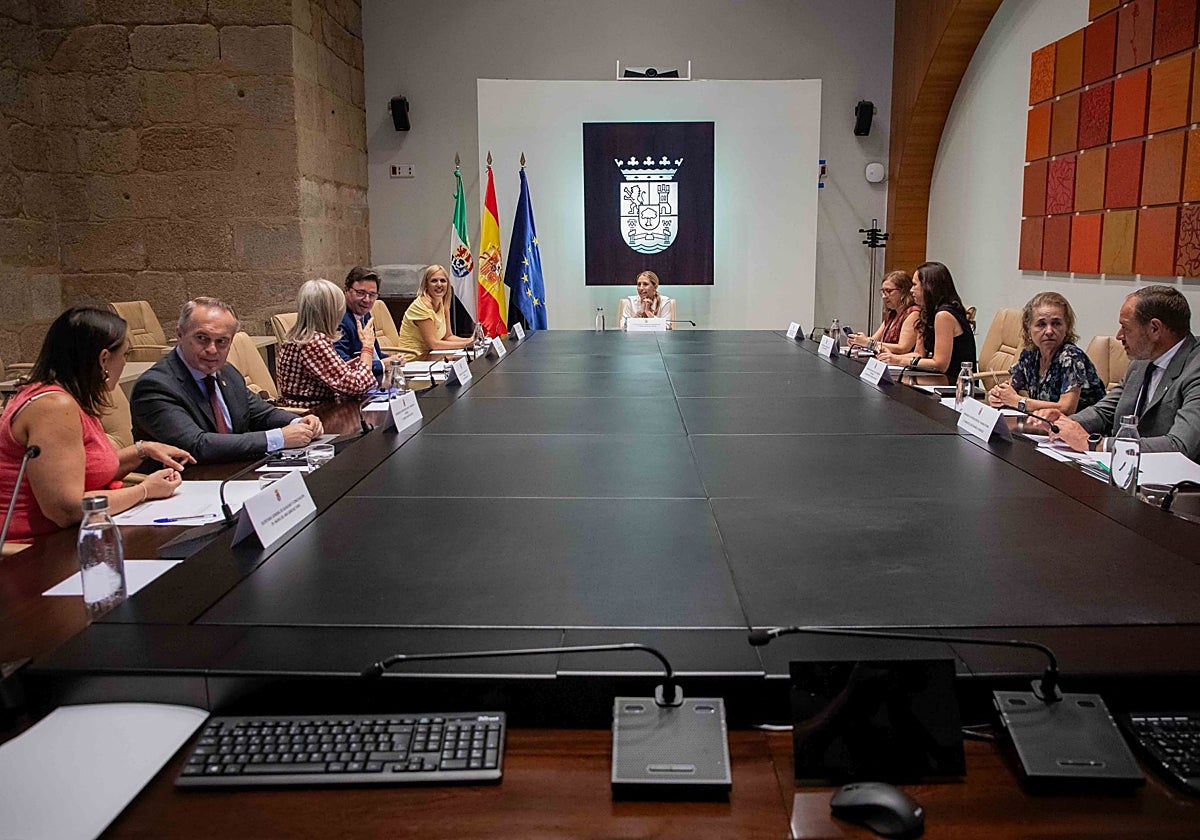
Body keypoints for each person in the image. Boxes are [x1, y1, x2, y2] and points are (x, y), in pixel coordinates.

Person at [0, 308, 192, 540]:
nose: (125, 362)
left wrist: (142, 450)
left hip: (74, 534)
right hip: (36, 549)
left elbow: (83, 470)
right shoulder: (54, 407)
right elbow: (67, 509)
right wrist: (145, 490)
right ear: (103, 359)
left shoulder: (69, 397)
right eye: (124, 354)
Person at [131, 297, 323, 464]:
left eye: (222, 341)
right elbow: (197, 445)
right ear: (180, 335)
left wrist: (298, 422)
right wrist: (278, 438)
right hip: (186, 483)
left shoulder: (227, 372)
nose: (212, 349)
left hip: (236, 470)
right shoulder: (155, 386)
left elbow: (260, 414)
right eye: (202, 338)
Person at [1036, 285, 1200, 459]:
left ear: (1155, 329)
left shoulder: (1194, 368)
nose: (1119, 336)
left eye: (1125, 327)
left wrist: (1095, 444)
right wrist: (1063, 424)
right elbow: (1105, 411)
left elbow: (1180, 446)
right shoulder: (1141, 361)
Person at [987, 292, 1106, 415]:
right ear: (1028, 329)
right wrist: (999, 395)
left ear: (1067, 327)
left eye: (1056, 323)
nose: (1049, 331)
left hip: (1084, 425)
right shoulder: (1030, 354)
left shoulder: (1071, 356)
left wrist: (1019, 402)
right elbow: (1010, 389)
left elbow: (1067, 408)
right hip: (1046, 423)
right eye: (1041, 324)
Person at [276, 279, 378, 408]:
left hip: (316, 408)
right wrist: (367, 346)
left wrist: (345, 368)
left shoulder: (300, 336)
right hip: (314, 412)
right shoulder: (313, 342)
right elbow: (359, 385)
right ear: (331, 311)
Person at [878, 261, 976, 376]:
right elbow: (919, 354)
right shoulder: (926, 312)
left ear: (928, 287)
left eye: (914, 285)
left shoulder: (944, 315)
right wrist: (890, 357)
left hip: (954, 381)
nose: (911, 290)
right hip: (934, 377)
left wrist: (899, 360)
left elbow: (940, 364)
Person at [395, 265, 476, 360]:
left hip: (432, 357)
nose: (439, 284)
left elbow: (448, 337)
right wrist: (467, 343)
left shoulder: (443, 303)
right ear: (426, 285)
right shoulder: (421, 306)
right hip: (412, 360)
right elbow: (433, 344)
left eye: (443, 281)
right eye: (434, 281)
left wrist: (472, 340)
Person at [334, 266, 392, 380]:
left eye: (372, 295)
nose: (367, 300)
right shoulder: (338, 320)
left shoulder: (366, 315)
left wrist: (393, 359)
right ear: (346, 290)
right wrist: (382, 364)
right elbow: (345, 364)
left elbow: (375, 355)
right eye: (360, 293)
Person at [847, 270, 920, 354]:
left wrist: (867, 343)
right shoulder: (892, 314)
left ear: (903, 291)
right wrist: (858, 341)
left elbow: (902, 348)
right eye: (883, 291)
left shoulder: (913, 313)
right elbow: (874, 339)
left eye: (889, 291)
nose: (884, 296)